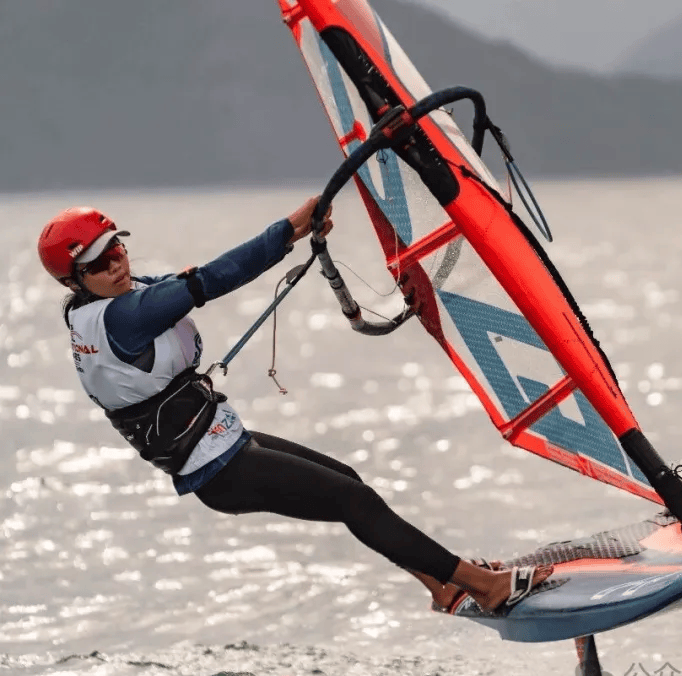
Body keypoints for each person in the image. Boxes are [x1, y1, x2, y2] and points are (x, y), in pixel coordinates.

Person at [37, 198, 552, 615]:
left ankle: (442, 584)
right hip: (218, 470)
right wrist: (293, 227)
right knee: (354, 501)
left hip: (222, 444)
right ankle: (484, 585)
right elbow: (209, 281)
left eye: (117, 248)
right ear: (71, 281)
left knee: (348, 481)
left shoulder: (98, 308)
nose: (116, 264)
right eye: (98, 263)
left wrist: (285, 240)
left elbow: (186, 279)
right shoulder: (123, 318)